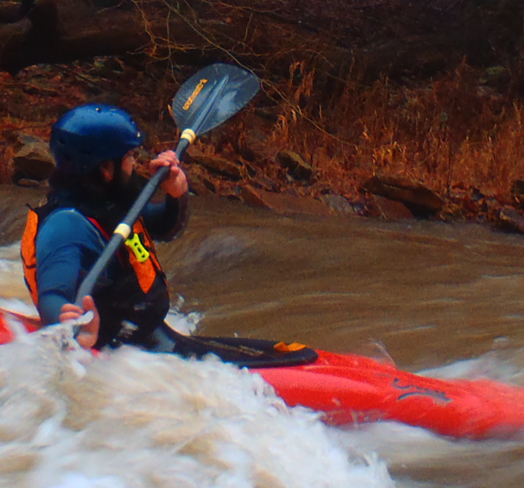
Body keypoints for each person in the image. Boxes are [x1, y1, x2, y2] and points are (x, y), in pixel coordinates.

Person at [18, 102, 315, 368]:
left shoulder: (107, 202)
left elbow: (163, 227)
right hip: (119, 355)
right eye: (129, 156)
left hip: (147, 341)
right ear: (106, 168)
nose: (134, 163)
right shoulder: (66, 226)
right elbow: (52, 295)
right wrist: (71, 329)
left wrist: (176, 194)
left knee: (289, 354)